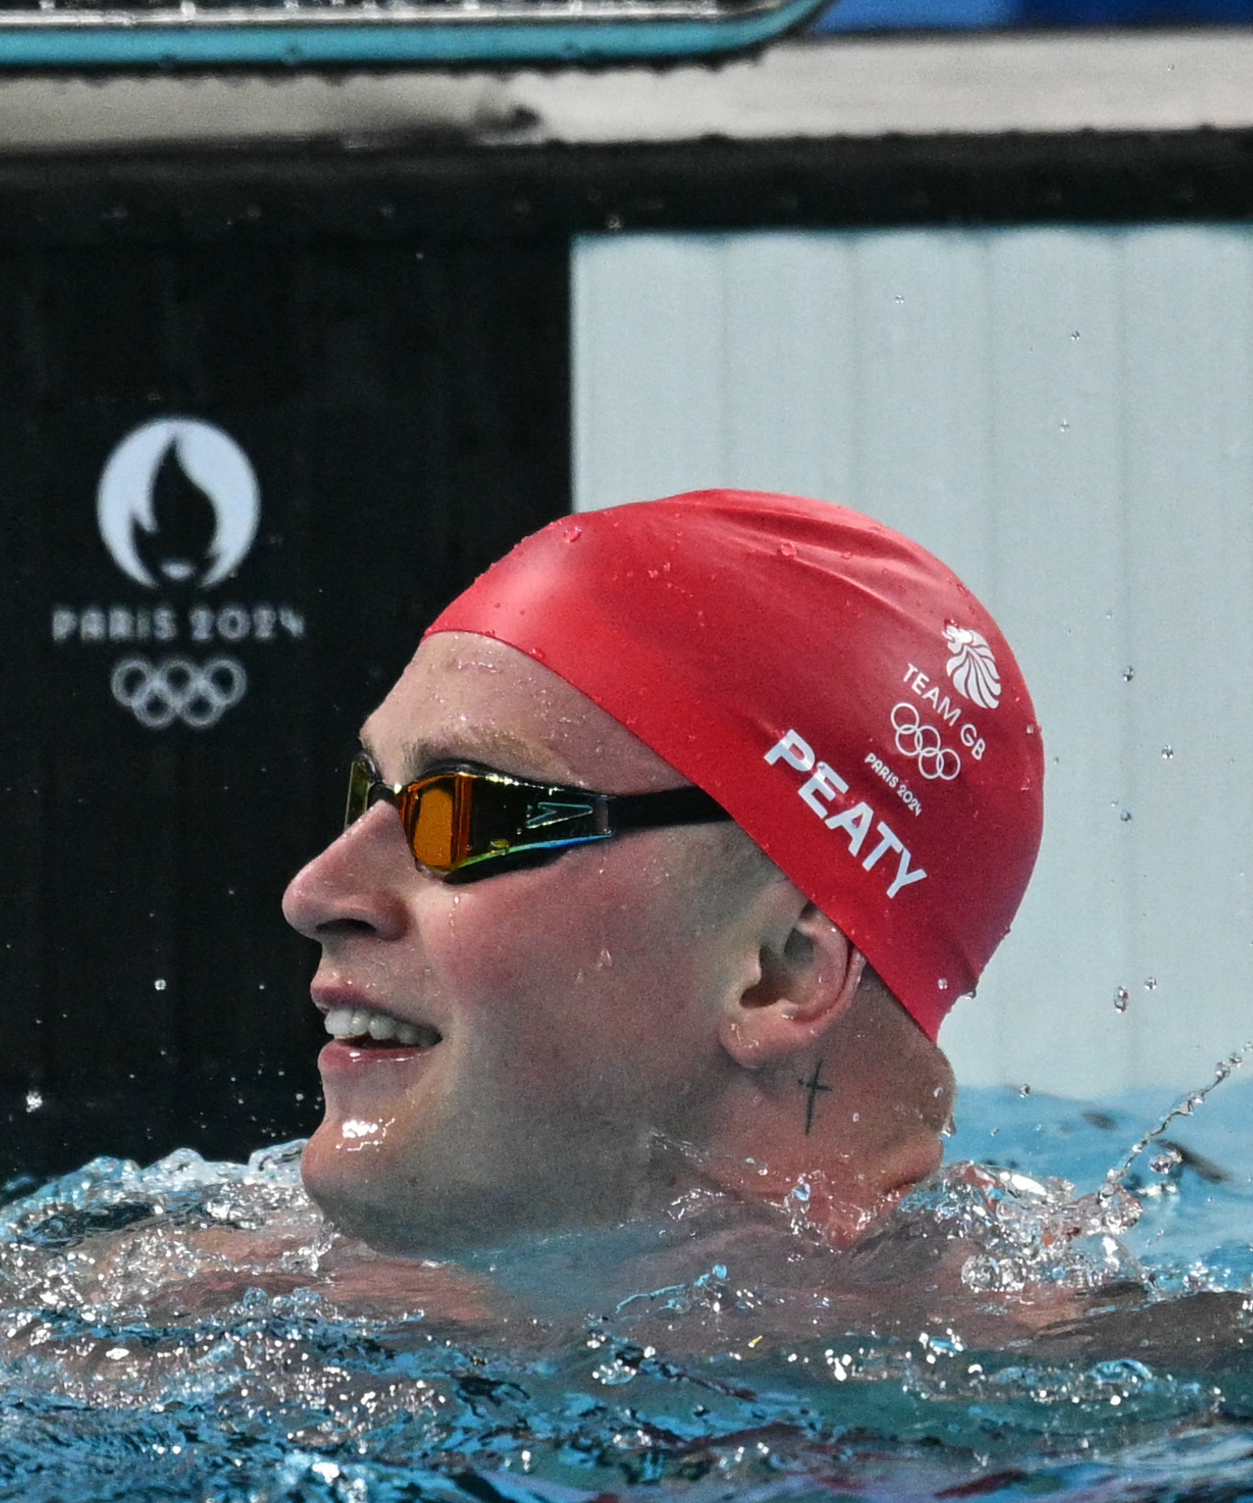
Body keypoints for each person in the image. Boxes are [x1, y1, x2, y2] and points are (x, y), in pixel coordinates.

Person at [278, 488, 1043, 1276]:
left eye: (470, 815)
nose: (313, 894)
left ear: (781, 971)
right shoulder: (221, 1309)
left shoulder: (1081, 1381)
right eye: (368, 795)